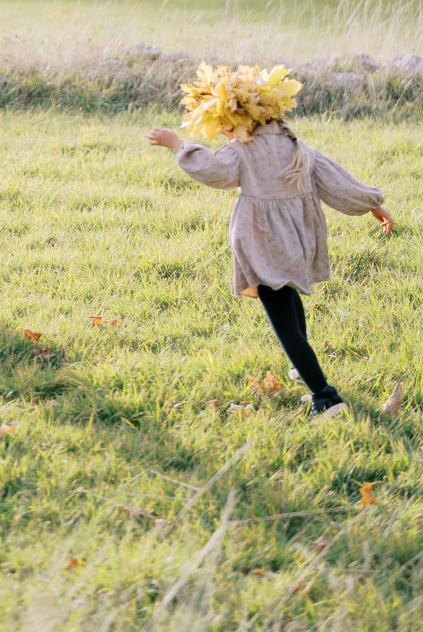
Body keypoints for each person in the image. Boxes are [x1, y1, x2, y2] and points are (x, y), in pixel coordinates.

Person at [147, 104, 393, 418]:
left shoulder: (241, 151)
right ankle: (303, 370)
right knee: (287, 297)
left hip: (262, 243)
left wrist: (177, 145)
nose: (222, 131)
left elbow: (213, 171)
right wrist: (373, 205)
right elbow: (339, 185)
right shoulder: (298, 147)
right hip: (298, 241)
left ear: (236, 121)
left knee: (284, 324)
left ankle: (326, 398)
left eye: (223, 124)